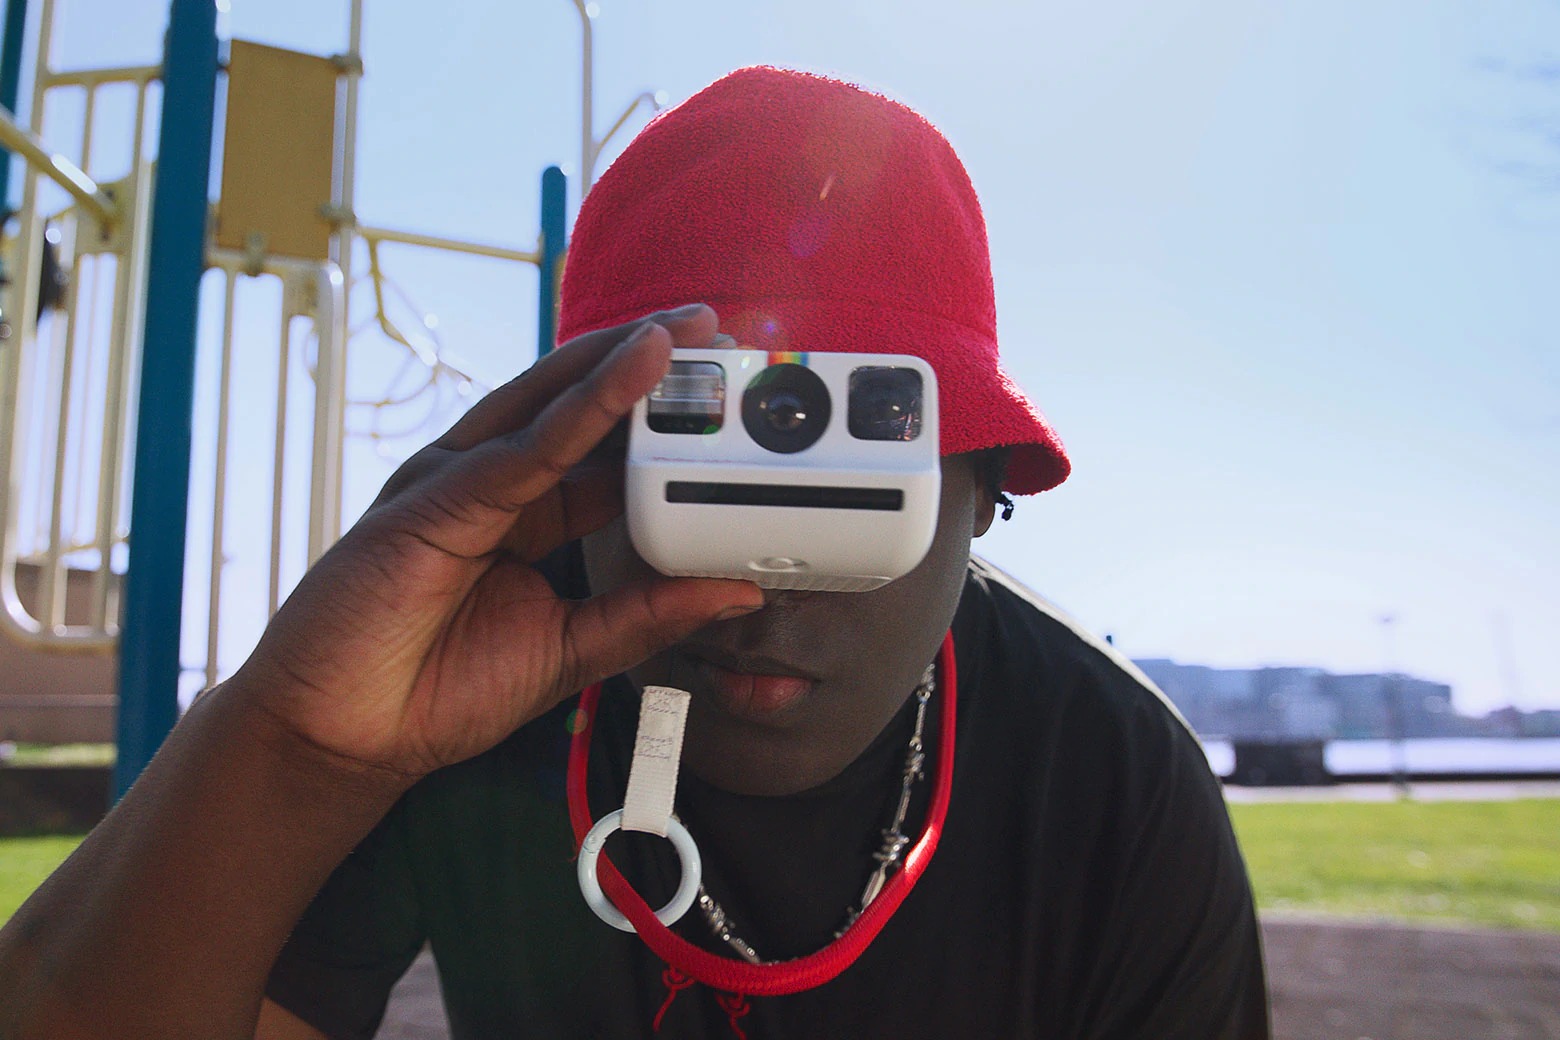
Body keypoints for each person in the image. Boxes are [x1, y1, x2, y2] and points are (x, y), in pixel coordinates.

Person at [0, 67, 1269, 1039]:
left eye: (851, 483)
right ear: (577, 458)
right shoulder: (449, 696)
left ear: (984, 489)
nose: (760, 585)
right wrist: (295, 746)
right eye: (698, 464)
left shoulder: (1114, 783)